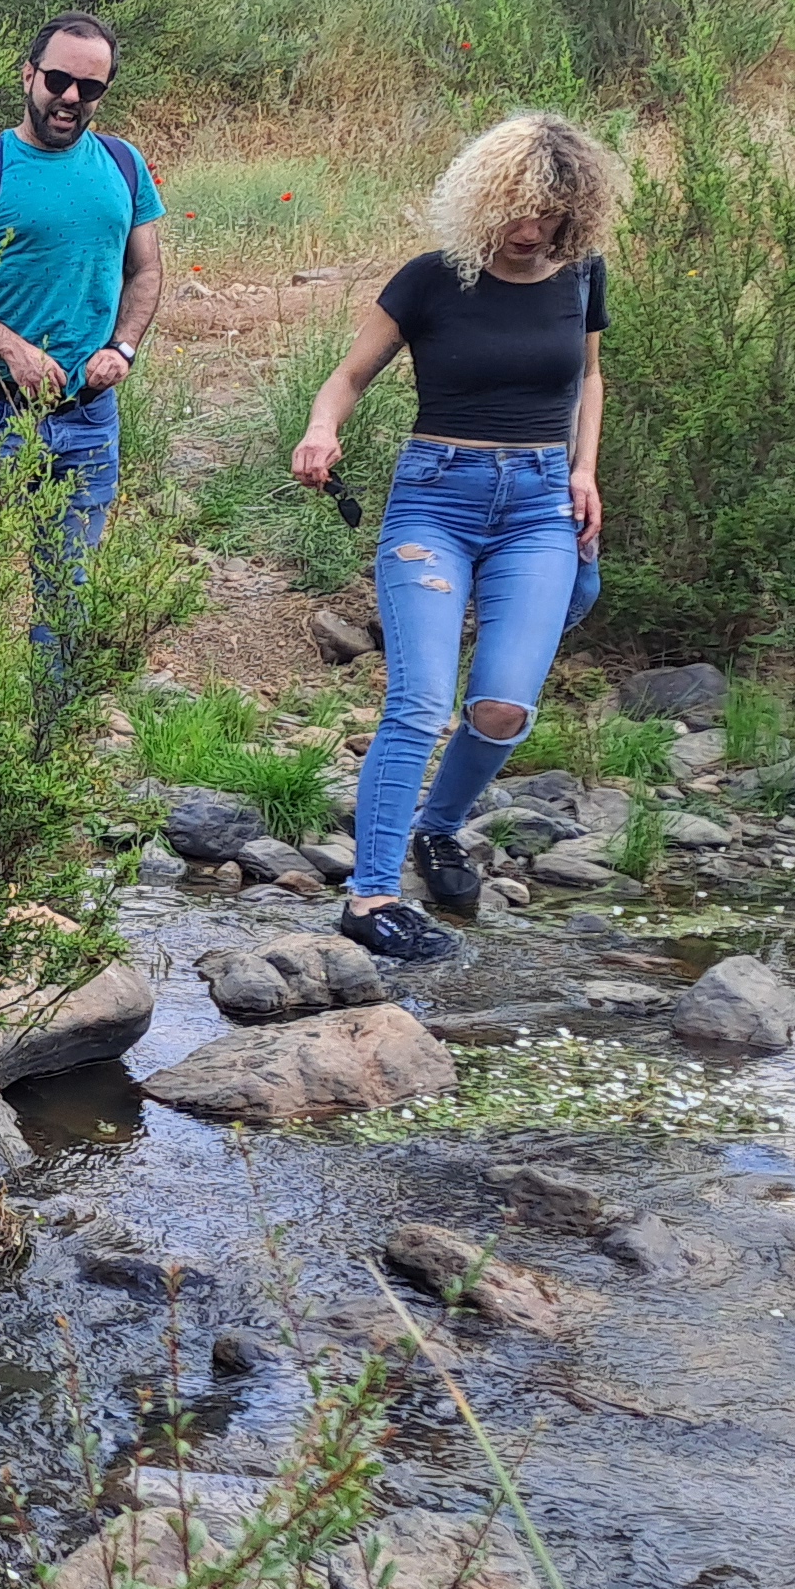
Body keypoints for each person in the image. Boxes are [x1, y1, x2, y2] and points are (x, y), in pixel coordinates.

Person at [289, 112, 627, 963]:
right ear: (485, 199)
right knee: (419, 701)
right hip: (436, 501)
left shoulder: (582, 276)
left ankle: (438, 827)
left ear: (574, 210)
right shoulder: (432, 280)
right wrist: (322, 429)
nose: (528, 230)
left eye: (548, 214)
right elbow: (350, 373)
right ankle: (369, 899)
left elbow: (589, 379)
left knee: (503, 705)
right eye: (516, 209)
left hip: (541, 503)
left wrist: (585, 470)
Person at [0, 10, 166, 633]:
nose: (72, 99)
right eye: (59, 80)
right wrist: (12, 350)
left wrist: (124, 347)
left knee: (67, 590)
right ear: (28, 74)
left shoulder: (124, 164)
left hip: (89, 417)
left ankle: (49, 723)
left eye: (91, 88)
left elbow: (145, 270)